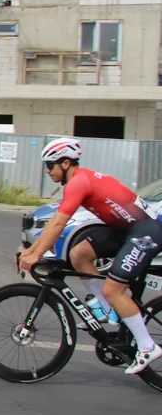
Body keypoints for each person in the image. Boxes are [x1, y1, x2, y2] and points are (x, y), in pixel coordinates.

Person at [17, 138, 162, 375]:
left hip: (145, 232)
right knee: (79, 253)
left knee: (113, 289)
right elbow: (55, 222)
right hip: (126, 230)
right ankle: (107, 311)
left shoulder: (79, 182)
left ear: (65, 163)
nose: (47, 170)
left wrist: (36, 255)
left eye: (50, 165)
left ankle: (147, 346)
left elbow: (59, 223)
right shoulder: (79, 180)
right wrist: (31, 252)